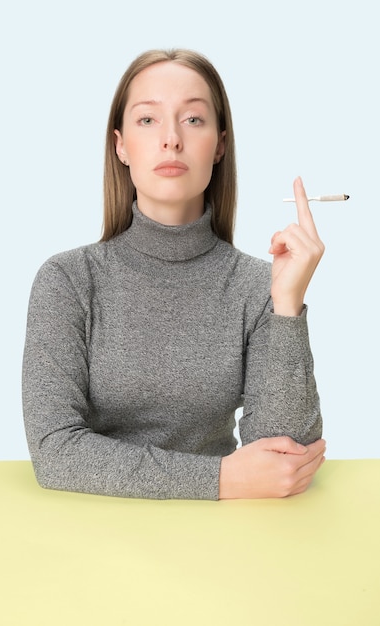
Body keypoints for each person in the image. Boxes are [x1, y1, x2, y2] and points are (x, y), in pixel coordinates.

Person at [22, 48, 326, 501]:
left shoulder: (257, 287)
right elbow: (55, 451)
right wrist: (220, 478)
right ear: (120, 145)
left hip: (222, 541)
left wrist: (286, 306)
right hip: (87, 539)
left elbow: (284, 462)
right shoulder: (67, 280)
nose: (171, 140)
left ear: (220, 144)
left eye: (193, 120)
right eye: (148, 120)